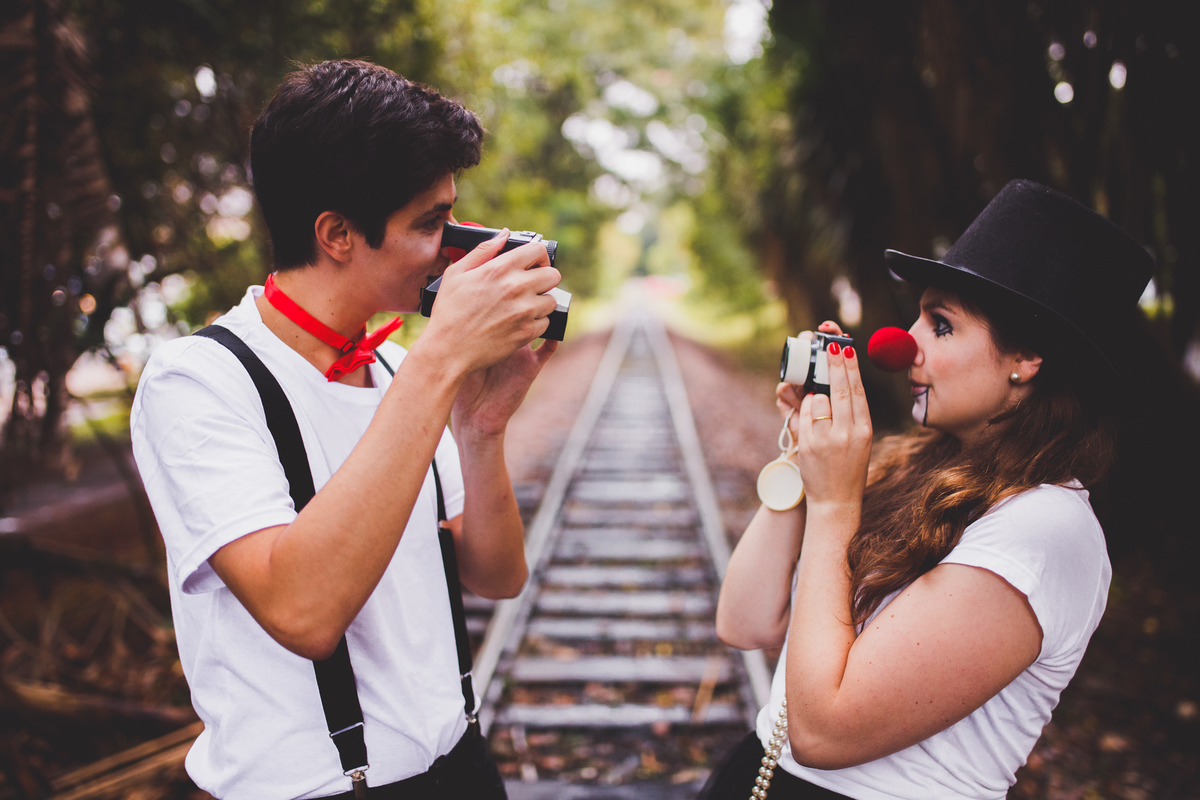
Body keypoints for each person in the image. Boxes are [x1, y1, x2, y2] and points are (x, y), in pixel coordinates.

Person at [130, 60, 561, 800]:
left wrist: (481, 430)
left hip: (460, 764)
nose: (451, 248)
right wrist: (443, 359)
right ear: (336, 233)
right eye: (430, 223)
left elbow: (496, 575)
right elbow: (301, 611)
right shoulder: (199, 382)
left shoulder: (397, 370)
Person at [702, 179, 1154, 800]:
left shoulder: (1046, 526)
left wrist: (836, 502)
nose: (904, 342)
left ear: (1026, 358)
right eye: (917, 314)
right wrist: (803, 455)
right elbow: (745, 621)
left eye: (940, 325)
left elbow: (823, 734)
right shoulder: (915, 464)